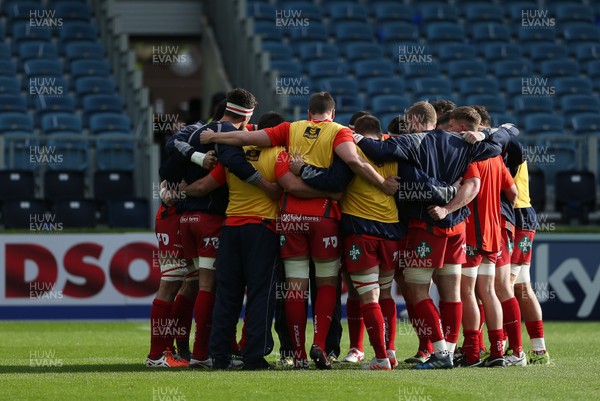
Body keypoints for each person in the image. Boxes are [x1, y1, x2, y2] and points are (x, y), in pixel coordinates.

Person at [200, 92, 395, 369]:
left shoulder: (290, 129)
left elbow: (245, 138)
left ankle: (298, 354)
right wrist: (381, 183)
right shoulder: (339, 132)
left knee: (294, 287)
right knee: (327, 283)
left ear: (308, 111)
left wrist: (214, 138)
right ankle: (320, 344)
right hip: (325, 216)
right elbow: (355, 162)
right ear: (333, 113)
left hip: (290, 219)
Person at [355, 101, 505, 369]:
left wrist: (348, 134)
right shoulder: (465, 144)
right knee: (452, 292)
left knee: (415, 287)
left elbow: (375, 149)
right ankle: (447, 349)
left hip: (427, 225)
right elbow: (498, 145)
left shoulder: (413, 141)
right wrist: (449, 204)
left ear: (412, 121)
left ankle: (439, 352)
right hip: (457, 226)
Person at [447, 107, 518, 368]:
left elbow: (465, 190)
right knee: (488, 292)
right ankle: (498, 349)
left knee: (466, 292)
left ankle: (473, 351)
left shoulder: (467, 156)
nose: (450, 131)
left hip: (470, 233)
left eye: (453, 126)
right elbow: (513, 195)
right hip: (492, 232)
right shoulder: (497, 157)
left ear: (464, 128)